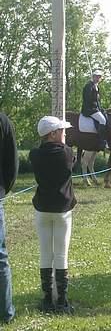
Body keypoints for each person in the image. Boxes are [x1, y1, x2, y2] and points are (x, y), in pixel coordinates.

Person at [29, 116, 77, 314]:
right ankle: (62, 300)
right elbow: (71, 162)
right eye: (61, 131)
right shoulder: (66, 153)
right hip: (63, 209)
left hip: (42, 207)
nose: (64, 133)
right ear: (53, 134)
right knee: (61, 254)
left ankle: (48, 299)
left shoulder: (34, 155)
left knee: (45, 253)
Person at [0, 112, 18, 324]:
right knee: (1, 258)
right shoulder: (3, 120)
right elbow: (11, 163)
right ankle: (6, 313)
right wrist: (5, 188)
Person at [82, 69, 107, 150]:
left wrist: (100, 108)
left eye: (99, 77)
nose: (98, 78)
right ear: (93, 77)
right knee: (102, 120)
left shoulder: (96, 87)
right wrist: (95, 93)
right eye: (96, 76)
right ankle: (101, 141)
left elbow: (98, 101)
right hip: (89, 109)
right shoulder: (89, 86)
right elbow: (88, 99)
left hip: (95, 108)